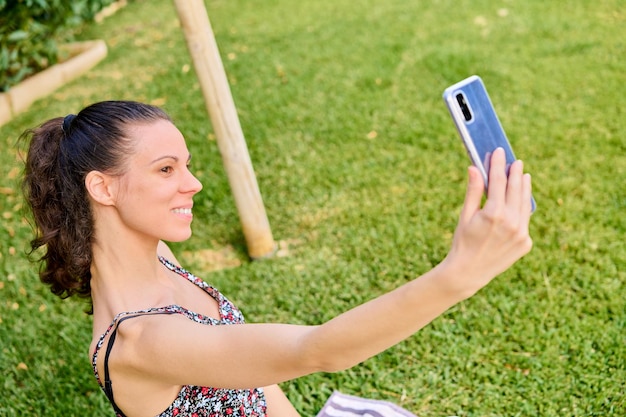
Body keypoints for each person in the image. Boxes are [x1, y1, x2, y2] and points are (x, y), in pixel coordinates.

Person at [21, 100, 533, 417]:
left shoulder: (150, 254)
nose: (193, 183)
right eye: (165, 169)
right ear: (103, 188)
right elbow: (317, 350)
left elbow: (256, 382)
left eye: (187, 165)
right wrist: (457, 275)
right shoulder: (143, 341)